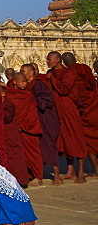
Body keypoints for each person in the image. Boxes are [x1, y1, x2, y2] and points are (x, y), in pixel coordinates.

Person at [45, 51, 86, 182]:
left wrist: (53, 79)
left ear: (58, 60)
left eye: (49, 59)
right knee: (64, 141)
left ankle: (81, 172)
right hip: (57, 111)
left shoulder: (68, 73)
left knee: (76, 139)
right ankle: (70, 171)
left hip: (69, 109)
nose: (47, 61)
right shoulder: (51, 73)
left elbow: (64, 90)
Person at [21, 63, 61, 184]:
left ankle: (57, 175)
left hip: (45, 117)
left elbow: (46, 102)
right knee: (36, 147)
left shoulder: (38, 84)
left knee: (48, 144)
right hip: (33, 118)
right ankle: (36, 173)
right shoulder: (27, 86)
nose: (22, 73)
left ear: (31, 72)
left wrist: (32, 99)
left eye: (24, 71)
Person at [62, 52, 98, 178]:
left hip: (84, 111)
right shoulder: (85, 69)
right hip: (94, 107)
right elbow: (92, 85)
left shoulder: (68, 74)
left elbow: (70, 93)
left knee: (89, 141)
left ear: (64, 63)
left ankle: (96, 170)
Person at [7, 72, 43, 185]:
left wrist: (23, 125)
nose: (25, 84)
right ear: (14, 82)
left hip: (28, 128)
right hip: (15, 128)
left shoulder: (28, 96)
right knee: (19, 154)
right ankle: (26, 175)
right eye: (22, 81)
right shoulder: (10, 94)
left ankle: (38, 176)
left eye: (26, 81)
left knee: (33, 153)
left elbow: (31, 113)